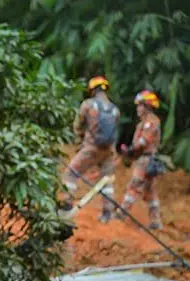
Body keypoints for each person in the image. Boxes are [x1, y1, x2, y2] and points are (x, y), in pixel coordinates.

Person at [61, 76, 120, 223]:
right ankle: (107, 214)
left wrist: (80, 141)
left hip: (91, 148)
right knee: (106, 181)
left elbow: (78, 126)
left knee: (71, 174)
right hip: (108, 151)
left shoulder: (88, 105)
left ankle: (67, 206)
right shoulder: (115, 110)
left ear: (92, 90)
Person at [119, 90, 163, 229]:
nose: (138, 108)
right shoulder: (143, 123)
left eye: (140, 105)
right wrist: (129, 152)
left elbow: (144, 142)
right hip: (144, 159)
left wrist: (131, 149)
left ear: (147, 106)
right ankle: (155, 221)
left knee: (134, 186)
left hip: (146, 160)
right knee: (150, 192)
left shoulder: (151, 122)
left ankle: (122, 213)